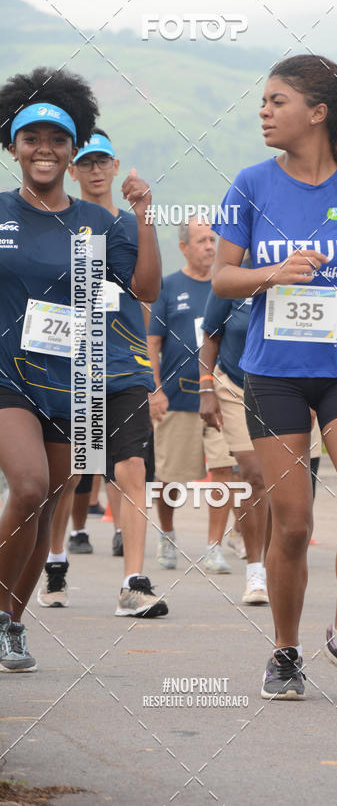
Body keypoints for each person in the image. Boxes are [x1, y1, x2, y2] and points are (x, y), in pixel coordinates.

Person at [212, 55, 337, 699]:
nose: (264, 112)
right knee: (293, 525)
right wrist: (273, 273)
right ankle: (284, 651)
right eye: (263, 102)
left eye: (277, 101)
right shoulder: (250, 184)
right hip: (272, 376)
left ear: (318, 112)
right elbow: (222, 278)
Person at [0, 67, 161, 671]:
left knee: (48, 509)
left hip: (75, 381)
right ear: (13, 147)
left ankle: (13, 624)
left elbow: (143, 289)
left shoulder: (98, 224)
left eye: (57, 140)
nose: (44, 149)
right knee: (31, 485)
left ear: (73, 151)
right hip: (7, 378)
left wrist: (143, 216)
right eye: (31, 138)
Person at [37, 129, 166, 618]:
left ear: (115, 167)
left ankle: (134, 582)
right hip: (68, 367)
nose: (94, 170)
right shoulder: (56, 224)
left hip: (124, 367)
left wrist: (146, 215)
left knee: (130, 469)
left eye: (102, 162)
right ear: (72, 170)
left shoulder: (132, 223)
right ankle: (54, 564)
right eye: (85, 162)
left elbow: (147, 293)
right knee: (66, 478)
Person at [147, 219, 237, 572]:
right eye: (201, 241)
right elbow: (152, 343)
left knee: (224, 469)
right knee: (170, 477)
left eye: (212, 240)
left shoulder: (226, 286)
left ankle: (214, 546)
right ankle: (167, 535)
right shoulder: (168, 287)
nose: (210, 247)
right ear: (184, 247)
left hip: (219, 397)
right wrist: (154, 390)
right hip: (177, 397)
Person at [200, 284, 269, 604]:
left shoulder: (302, 274)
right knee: (254, 474)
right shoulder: (232, 278)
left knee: (296, 487)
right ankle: (256, 571)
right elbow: (210, 338)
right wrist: (206, 389)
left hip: (293, 385)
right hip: (235, 386)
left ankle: (284, 562)